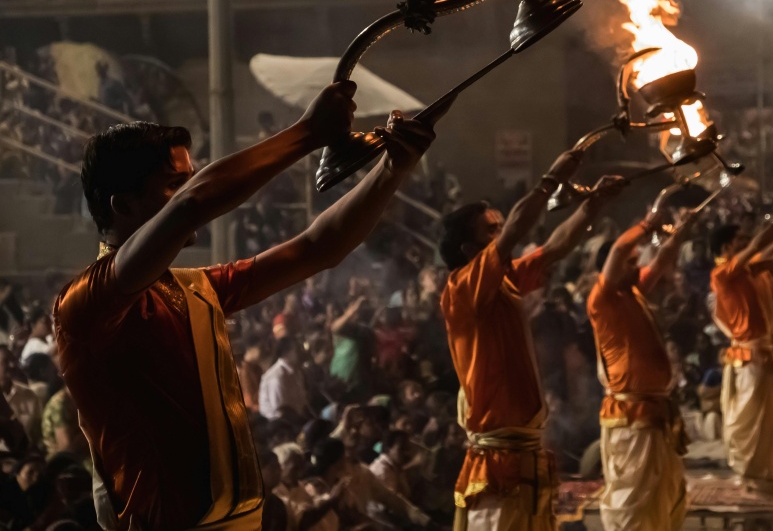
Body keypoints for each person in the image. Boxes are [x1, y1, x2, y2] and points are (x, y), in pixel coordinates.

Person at [53, 85, 435, 530]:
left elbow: (316, 247)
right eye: (175, 183)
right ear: (123, 204)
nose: (190, 190)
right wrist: (306, 134)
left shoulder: (196, 288)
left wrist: (393, 168)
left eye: (189, 179)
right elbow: (193, 205)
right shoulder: (84, 303)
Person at [437, 148, 620, 530]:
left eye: (501, 226)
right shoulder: (462, 289)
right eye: (492, 230)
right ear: (469, 251)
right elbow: (521, 228)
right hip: (499, 460)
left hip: (524, 452)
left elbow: (553, 249)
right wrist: (551, 177)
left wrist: (593, 205)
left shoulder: (504, 278)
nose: (503, 234)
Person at [588, 204, 694, 530]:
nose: (637, 268)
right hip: (631, 416)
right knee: (633, 498)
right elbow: (620, 247)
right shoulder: (602, 298)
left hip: (653, 411)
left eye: (637, 263)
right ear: (610, 268)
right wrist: (647, 225)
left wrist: (681, 230)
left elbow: (661, 260)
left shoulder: (632, 290)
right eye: (631, 264)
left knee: (661, 492)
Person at [709, 219, 773, 495]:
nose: (747, 242)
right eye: (740, 240)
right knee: (752, 422)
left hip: (765, 354)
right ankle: (753, 477)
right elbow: (757, 247)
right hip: (750, 357)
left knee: (768, 423)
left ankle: (767, 480)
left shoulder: (750, 270)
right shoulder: (722, 274)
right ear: (727, 248)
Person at [259, 336, 309, 421]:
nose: (302, 352)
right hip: (281, 426)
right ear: (287, 353)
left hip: (297, 419)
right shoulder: (277, 377)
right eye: (297, 349)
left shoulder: (296, 371)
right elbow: (281, 413)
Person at [0, 348, 42, 445]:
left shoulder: (29, 395)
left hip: (26, 455)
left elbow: (38, 435)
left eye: (13, 360)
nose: (12, 365)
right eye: (5, 361)